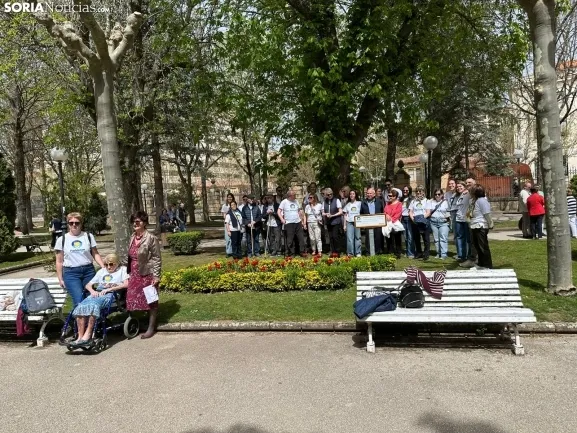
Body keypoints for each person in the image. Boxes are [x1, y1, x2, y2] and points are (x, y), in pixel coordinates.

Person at [70, 253, 129, 346]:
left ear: (117, 263)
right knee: (81, 306)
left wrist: (110, 289)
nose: (108, 267)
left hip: (111, 295)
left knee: (93, 306)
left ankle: (87, 335)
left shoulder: (122, 270)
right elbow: (88, 285)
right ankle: (80, 337)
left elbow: (126, 284)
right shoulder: (102, 271)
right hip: (98, 293)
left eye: (111, 264)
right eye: (106, 264)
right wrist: (92, 291)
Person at [54, 212, 105, 308]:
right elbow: (59, 261)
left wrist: (103, 267)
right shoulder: (62, 239)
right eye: (71, 223)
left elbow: (95, 253)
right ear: (68, 224)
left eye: (77, 223)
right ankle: (79, 318)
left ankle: (91, 318)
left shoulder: (88, 236)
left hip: (88, 271)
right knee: (79, 301)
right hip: (71, 273)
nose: (74, 225)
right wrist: (60, 278)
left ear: (81, 223)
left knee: (91, 299)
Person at [127, 211, 161, 339]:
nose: (135, 224)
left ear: (144, 223)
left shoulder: (151, 238)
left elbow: (157, 258)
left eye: (137, 221)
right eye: (133, 221)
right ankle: (137, 323)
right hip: (134, 273)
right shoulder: (132, 237)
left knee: (151, 300)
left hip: (147, 273)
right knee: (132, 298)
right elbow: (130, 256)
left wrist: (156, 276)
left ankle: (151, 327)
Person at [469, 185, 494, 269]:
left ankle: (487, 265)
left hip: (481, 226)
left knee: (482, 247)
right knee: (478, 246)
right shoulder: (475, 201)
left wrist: (490, 224)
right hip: (475, 225)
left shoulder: (482, 201)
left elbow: (487, 214)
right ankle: (481, 264)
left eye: (471, 191)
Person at [278, 190, 306, 257]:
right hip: (289, 223)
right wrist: (282, 219)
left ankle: (302, 251)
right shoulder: (284, 202)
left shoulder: (296, 201)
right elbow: (278, 211)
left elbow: (299, 211)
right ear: (290, 196)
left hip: (297, 222)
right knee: (290, 239)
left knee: (301, 238)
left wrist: (302, 221)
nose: (295, 196)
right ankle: (291, 253)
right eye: (294, 195)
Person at [409, 186, 431, 260]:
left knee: (426, 238)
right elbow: (410, 211)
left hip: (424, 221)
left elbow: (428, 212)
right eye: (417, 191)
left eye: (420, 191)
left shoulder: (427, 201)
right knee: (416, 238)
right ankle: (419, 253)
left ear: (423, 192)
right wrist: (413, 219)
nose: (418, 192)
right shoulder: (413, 201)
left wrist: (421, 219)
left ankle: (426, 253)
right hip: (415, 221)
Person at [360, 187, 385, 255]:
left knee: (378, 237)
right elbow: (361, 213)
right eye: (367, 193)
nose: (369, 195)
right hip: (368, 223)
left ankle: (377, 252)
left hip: (377, 223)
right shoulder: (363, 202)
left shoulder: (379, 201)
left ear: (374, 194)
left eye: (370, 193)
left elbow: (383, 211)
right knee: (368, 238)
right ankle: (368, 252)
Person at [429, 188, 450, 260]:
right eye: (436, 194)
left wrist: (447, 218)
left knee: (443, 238)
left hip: (443, 222)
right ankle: (438, 253)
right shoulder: (431, 202)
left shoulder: (445, 202)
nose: (437, 196)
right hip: (433, 221)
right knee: (436, 239)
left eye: (439, 194)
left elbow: (449, 211)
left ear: (442, 195)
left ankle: (443, 254)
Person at [454, 181, 472, 264]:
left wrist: (467, 190)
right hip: (458, 219)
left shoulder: (468, 194)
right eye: (457, 187)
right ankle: (461, 256)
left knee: (468, 239)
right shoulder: (459, 195)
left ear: (464, 186)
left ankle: (469, 256)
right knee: (459, 238)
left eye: (460, 186)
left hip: (466, 220)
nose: (458, 188)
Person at [322, 188, 343, 255]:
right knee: (330, 237)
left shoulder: (337, 200)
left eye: (331, 194)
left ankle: (338, 251)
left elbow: (340, 212)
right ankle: (333, 251)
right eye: (328, 194)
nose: (330, 195)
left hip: (335, 221)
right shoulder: (324, 202)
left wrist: (333, 215)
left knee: (335, 236)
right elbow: (322, 213)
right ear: (326, 195)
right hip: (328, 222)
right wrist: (326, 214)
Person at [384, 189, 403, 258]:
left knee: (397, 238)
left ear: (395, 197)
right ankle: (390, 252)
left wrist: (391, 219)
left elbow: (398, 213)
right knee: (388, 238)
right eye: (388, 196)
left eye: (391, 196)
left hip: (395, 223)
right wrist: (386, 215)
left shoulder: (399, 204)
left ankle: (398, 253)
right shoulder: (387, 204)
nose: (389, 197)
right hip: (388, 223)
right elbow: (385, 211)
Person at [343, 190, 362, 257]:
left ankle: (358, 253)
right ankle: (350, 253)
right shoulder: (348, 204)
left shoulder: (359, 203)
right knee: (349, 238)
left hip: (358, 222)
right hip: (349, 223)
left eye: (353, 194)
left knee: (358, 237)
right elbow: (345, 215)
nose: (351, 195)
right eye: (350, 194)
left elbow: (362, 212)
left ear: (355, 195)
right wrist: (344, 225)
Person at [401, 186, 415, 258]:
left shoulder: (412, 199)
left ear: (409, 191)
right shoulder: (401, 199)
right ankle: (407, 251)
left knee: (410, 236)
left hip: (409, 218)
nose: (405, 191)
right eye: (404, 190)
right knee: (405, 237)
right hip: (403, 219)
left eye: (407, 190)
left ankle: (411, 253)